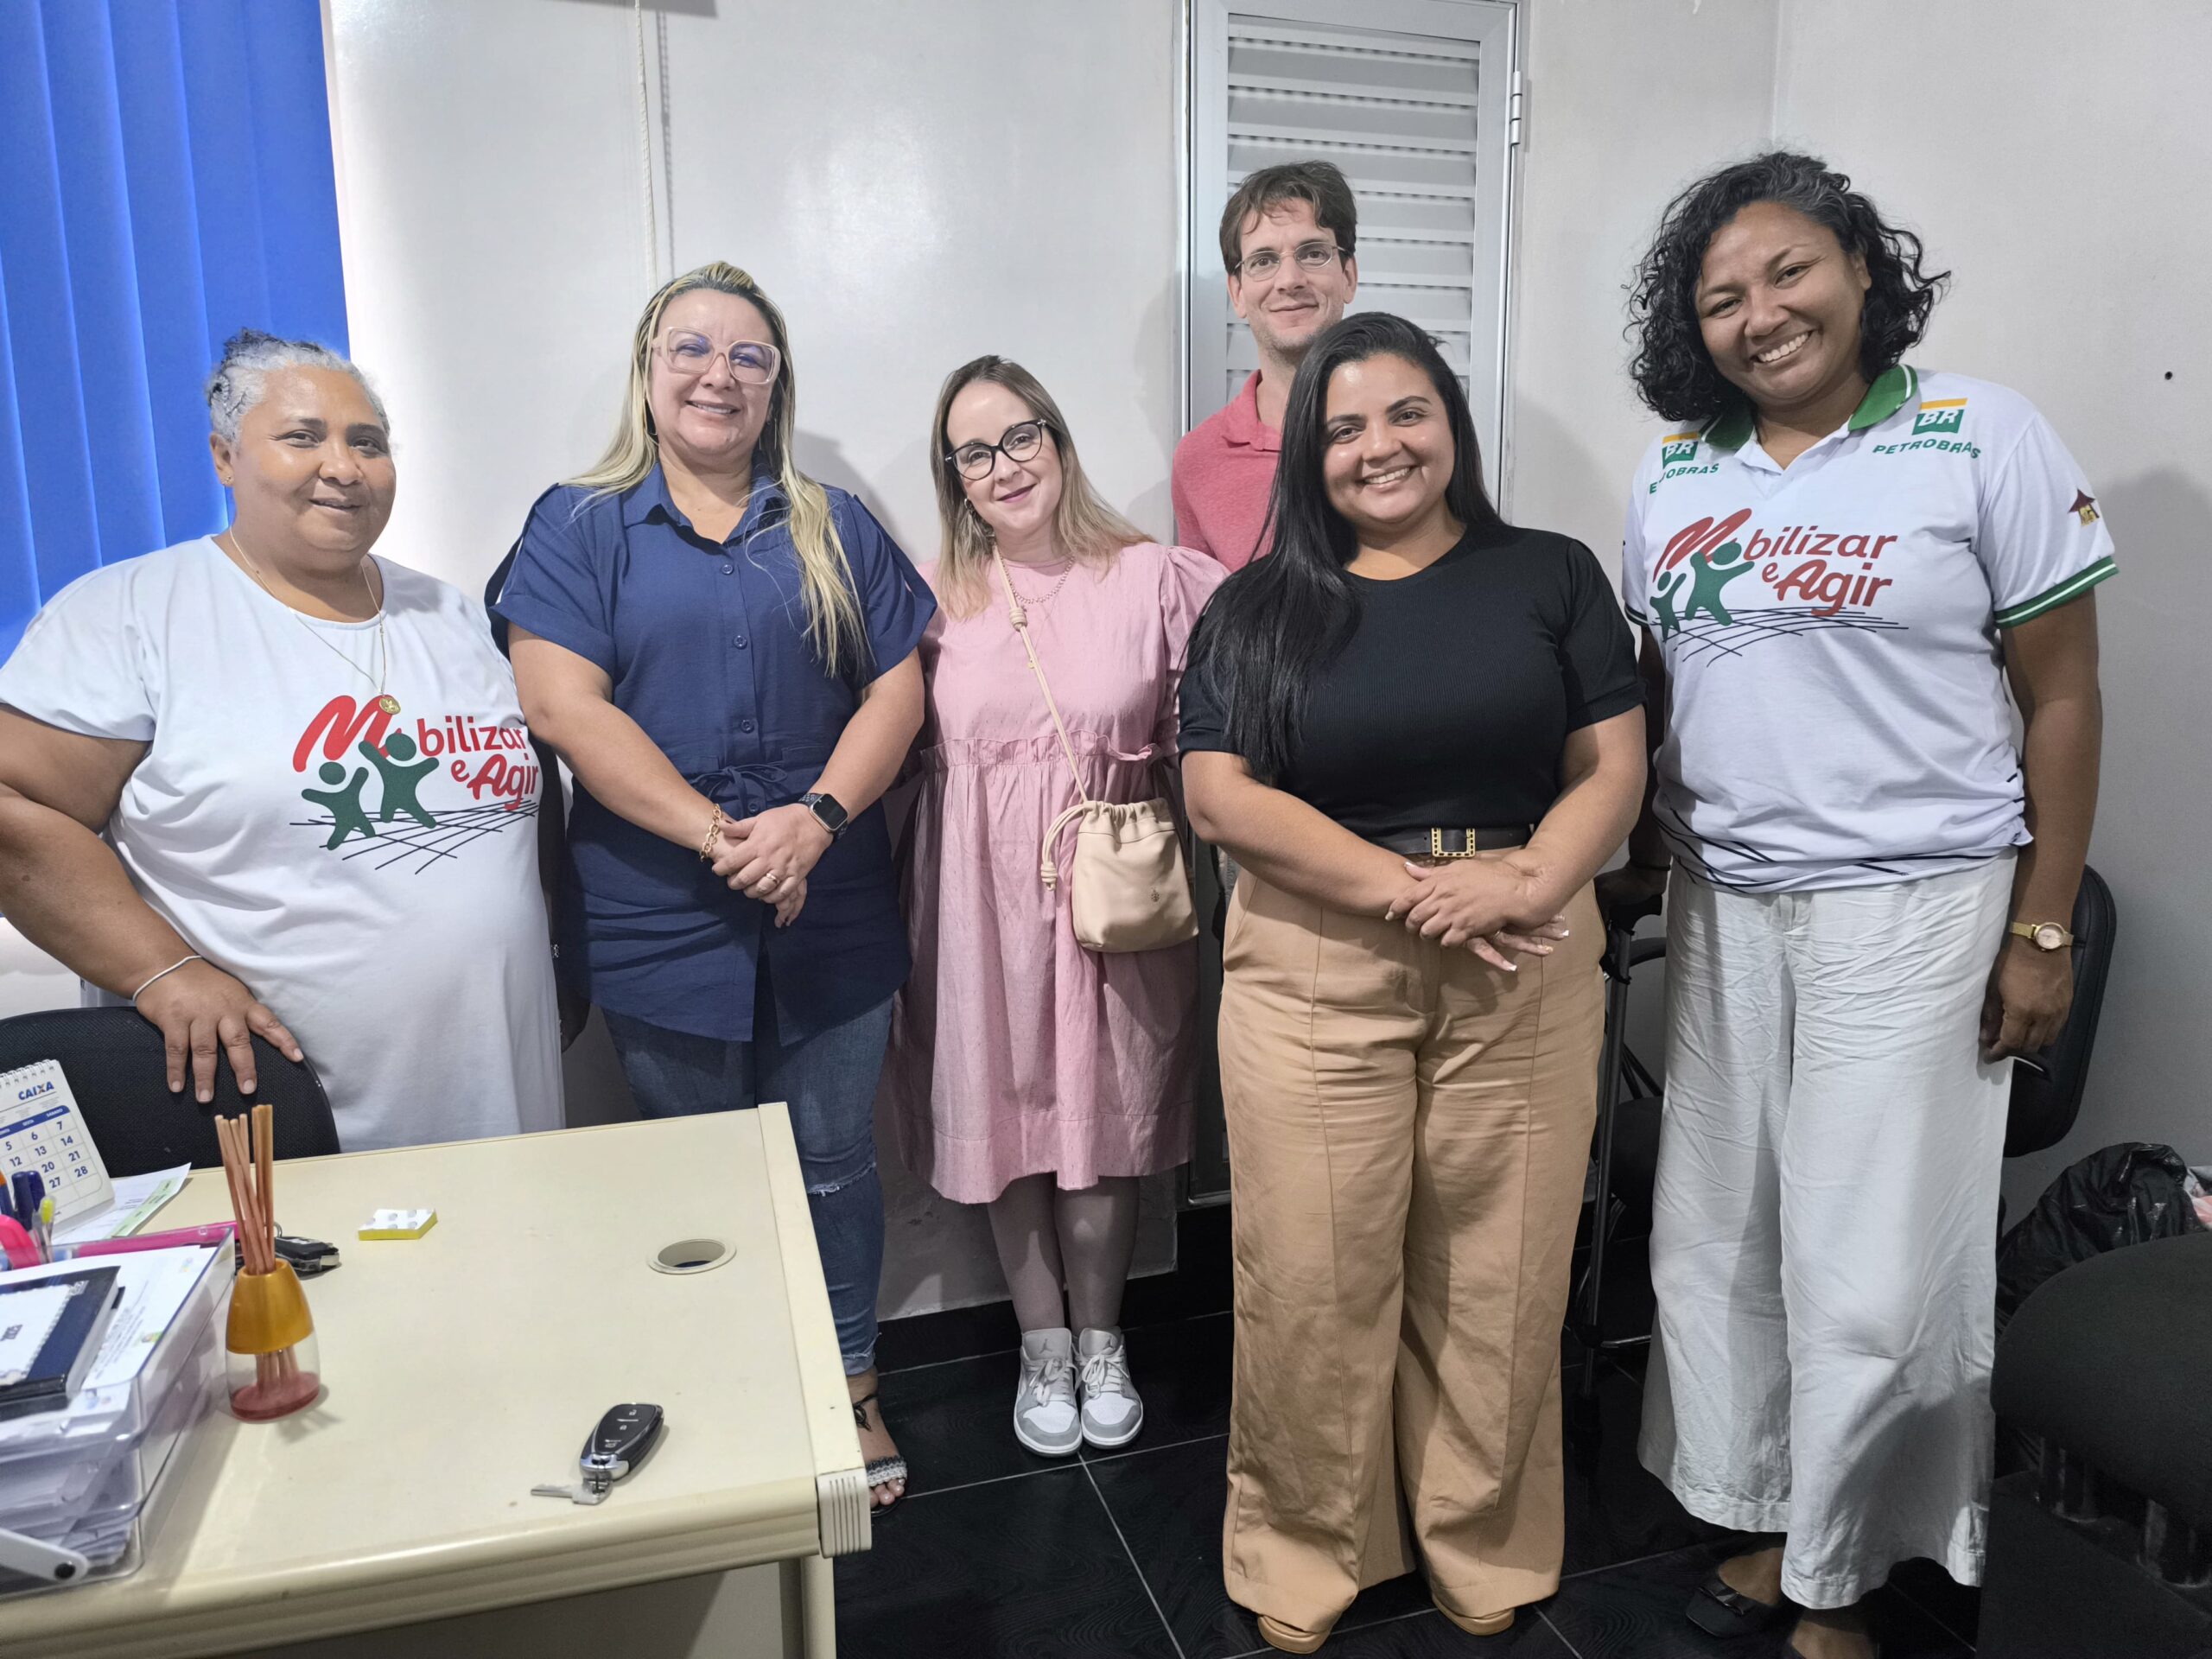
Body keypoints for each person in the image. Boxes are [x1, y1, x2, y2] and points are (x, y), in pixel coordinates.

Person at [1606, 152, 2110, 1659]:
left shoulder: (1979, 433)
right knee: (1723, 1243)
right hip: (1726, 905)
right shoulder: (1676, 471)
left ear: (1862, 271)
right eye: (1722, 298)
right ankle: (1772, 1515)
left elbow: (2065, 697)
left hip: (1916, 909)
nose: (1761, 315)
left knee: (1875, 1270)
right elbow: (1667, 685)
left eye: (1790, 273)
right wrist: (1632, 846)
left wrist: (2044, 926)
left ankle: (1847, 1577)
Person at [1179, 312, 1646, 1653]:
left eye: (1406, 413)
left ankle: (1481, 1537)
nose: (1378, 446)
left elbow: (1614, 767)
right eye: (1343, 428)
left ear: (1452, 422)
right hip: (1317, 961)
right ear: (1307, 456)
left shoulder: (1549, 573)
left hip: (1525, 947)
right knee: (1311, 1277)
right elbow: (1219, 796)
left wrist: (1531, 877)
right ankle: (1306, 1545)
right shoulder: (1255, 605)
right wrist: (1413, 891)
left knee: (1503, 1275)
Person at [494, 263, 931, 1510]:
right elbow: (561, 705)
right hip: (661, 917)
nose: (717, 374)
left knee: (835, 1163)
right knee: (697, 1172)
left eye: (748, 355)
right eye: (690, 348)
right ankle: (729, 1394)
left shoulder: (834, 524)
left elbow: (898, 689)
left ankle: (851, 1384)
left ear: (776, 384)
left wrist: (816, 823)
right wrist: (726, 839)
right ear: (648, 369)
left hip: (830, 904)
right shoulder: (579, 525)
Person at [0, 331, 563, 1150]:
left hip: (498, 1103)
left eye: (367, 443)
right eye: (303, 437)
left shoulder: (452, 616)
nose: (344, 467)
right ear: (225, 457)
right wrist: (161, 970)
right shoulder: (132, 616)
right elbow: (13, 804)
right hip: (281, 1122)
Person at [883, 357, 1224, 1458]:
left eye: (1020, 436)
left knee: (1103, 1119)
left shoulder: (1153, 579)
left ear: (1059, 440)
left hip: (1112, 895)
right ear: (955, 479)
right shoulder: (929, 599)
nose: (1004, 466)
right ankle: (1040, 1343)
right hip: (971, 899)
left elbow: (1221, 731)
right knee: (1006, 1115)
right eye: (973, 453)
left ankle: (1101, 1338)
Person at [1172, 160, 1360, 571]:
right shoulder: (1199, 459)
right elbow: (1206, 605)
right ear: (1237, 292)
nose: (1289, 280)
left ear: (1348, 275)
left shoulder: (1400, 433)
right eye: (1263, 260)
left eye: (1313, 253)